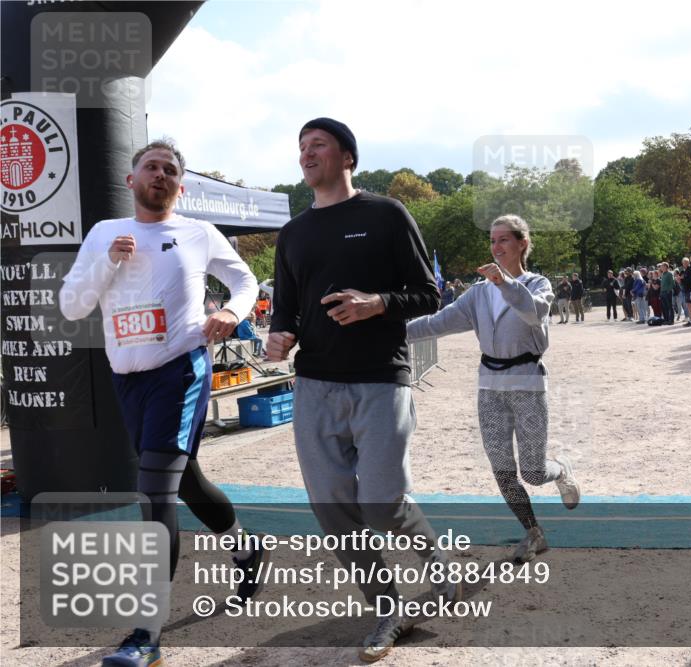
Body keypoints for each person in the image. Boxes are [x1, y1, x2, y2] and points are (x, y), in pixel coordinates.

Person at [59, 139, 266, 667]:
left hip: (180, 371)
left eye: (170, 169)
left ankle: (146, 634)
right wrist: (107, 263)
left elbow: (244, 279)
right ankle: (246, 546)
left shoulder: (197, 233)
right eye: (150, 166)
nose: (160, 174)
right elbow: (71, 304)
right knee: (187, 479)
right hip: (128, 379)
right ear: (131, 181)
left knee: (154, 491)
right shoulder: (106, 234)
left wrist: (234, 313)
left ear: (180, 184)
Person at [266, 118, 457, 662]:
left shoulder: (386, 214)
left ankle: (436, 563)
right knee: (333, 510)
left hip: (379, 378)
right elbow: (286, 311)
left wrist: (377, 303)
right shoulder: (294, 233)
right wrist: (280, 337)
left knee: (379, 504)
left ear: (347, 157)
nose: (307, 153)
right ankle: (388, 610)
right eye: (301, 146)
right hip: (315, 385)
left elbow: (428, 293)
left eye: (318, 144)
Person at [407, 214, 581, 562]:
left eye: (503, 240)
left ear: (522, 244)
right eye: (492, 240)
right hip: (489, 386)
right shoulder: (478, 294)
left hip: (527, 383)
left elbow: (533, 314)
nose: (496, 246)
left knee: (532, 472)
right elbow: (439, 322)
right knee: (502, 469)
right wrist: (389, 332)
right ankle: (533, 533)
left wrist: (505, 283)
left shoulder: (537, 284)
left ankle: (560, 470)